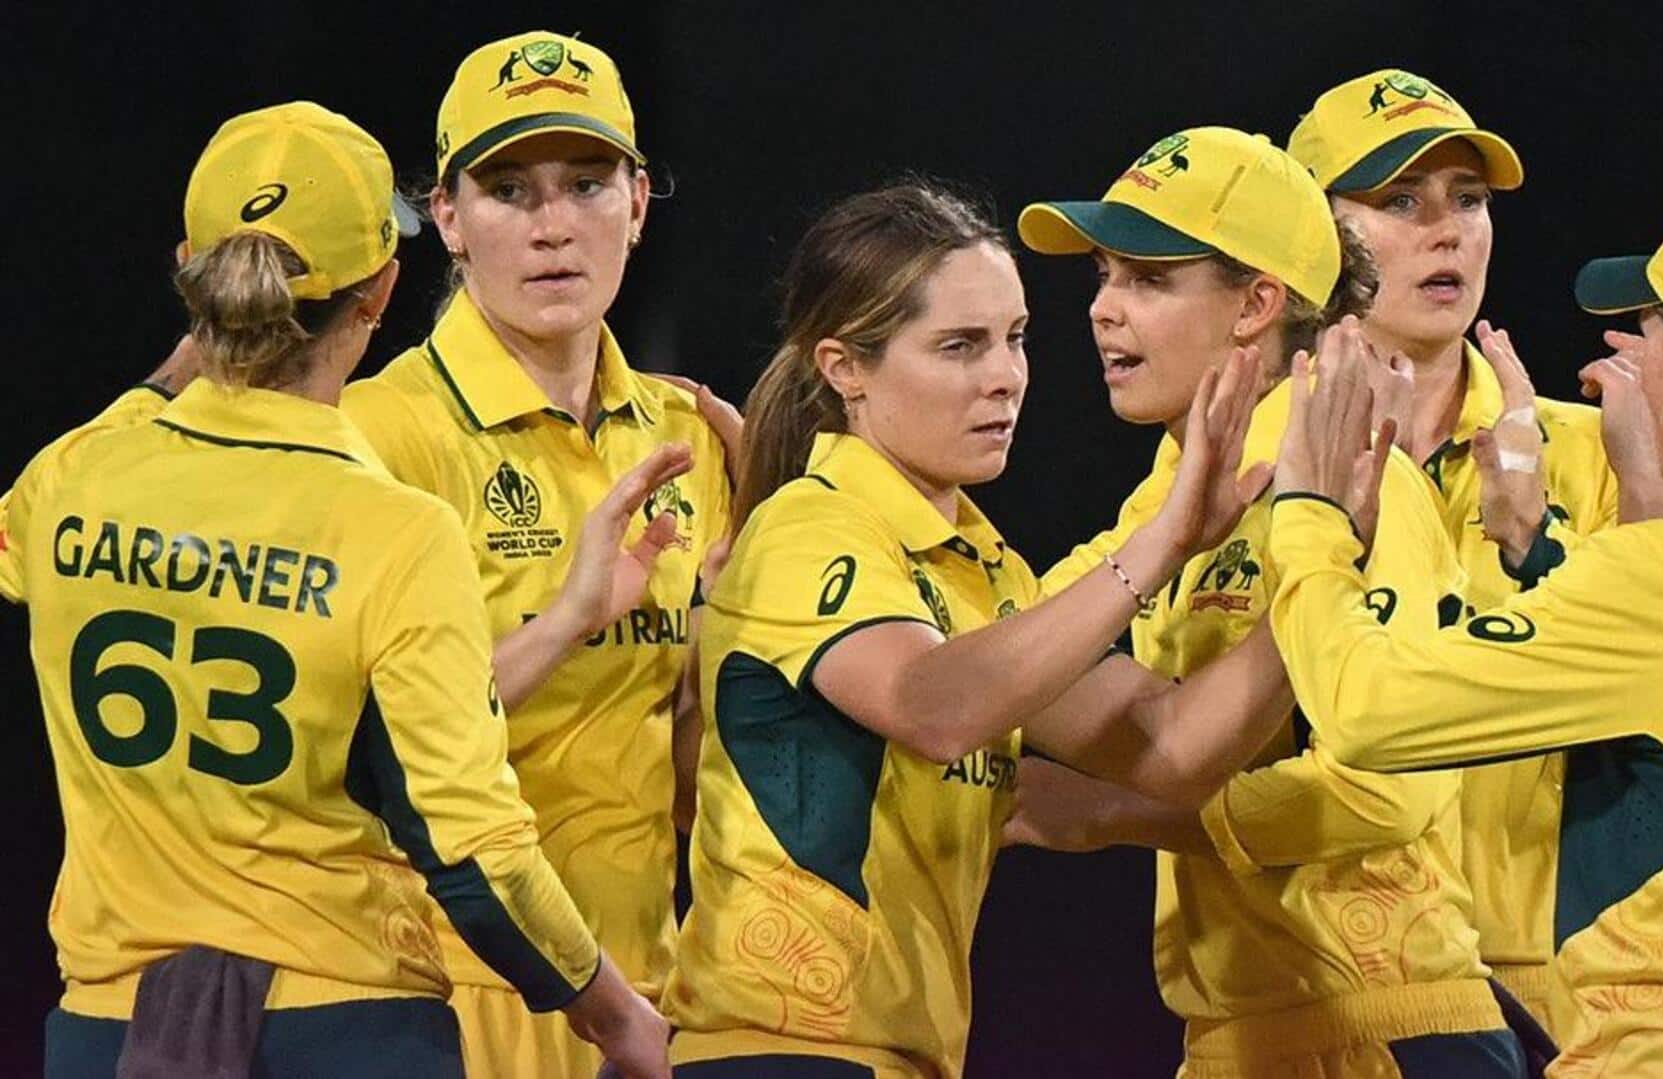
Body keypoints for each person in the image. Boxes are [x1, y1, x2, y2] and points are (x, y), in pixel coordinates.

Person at [4, 101, 671, 1078]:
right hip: (344, 1024)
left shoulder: (68, 483)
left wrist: (190, 356)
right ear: (381, 289)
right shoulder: (393, 530)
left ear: (192, 269)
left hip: (110, 1026)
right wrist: (612, 1013)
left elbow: (41, 510)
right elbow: (472, 844)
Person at [663, 179, 1326, 1078]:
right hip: (778, 1053)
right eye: (959, 346)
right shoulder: (806, 525)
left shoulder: (986, 573)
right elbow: (932, 706)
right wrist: (1163, 540)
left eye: (1014, 338)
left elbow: (1175, 748)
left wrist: (1325, 563)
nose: (1006, 376)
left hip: (900, 1060)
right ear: (845, 368)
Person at [1265, 184, 1663, 1074]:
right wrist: (1538, 541)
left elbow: (1368, 711)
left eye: (1650, 333)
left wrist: (1309, 511)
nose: (1631, 361)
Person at [1010, 126, 1524, 1077]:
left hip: (1385, 1027)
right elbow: (1007, 631)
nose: (1103, 310)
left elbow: (1391, 783)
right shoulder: (1176, 494)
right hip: (1247, 1033)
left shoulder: (1353, 471)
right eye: (1103, 277)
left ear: (1257, 304)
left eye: (1149, 280)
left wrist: (1119, 810)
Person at [340, 31, 732, 1077]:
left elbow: (687, 762)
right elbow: (362, 752)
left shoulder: (686, 440)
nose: (554, 226)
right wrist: (567, 620)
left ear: (638, 204)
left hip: (643, 996)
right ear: (448, 217)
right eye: (509, 191)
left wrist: (742, 622)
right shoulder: (378, 435)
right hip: (437, 991)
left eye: (587, 184)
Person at [1287, 69, 1663, 1033]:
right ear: (1313, 236)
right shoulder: (1256, 452)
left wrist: (1569, 529)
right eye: (1400, 203)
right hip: (1307, 987)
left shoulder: (1596, 450)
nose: (1448, 231)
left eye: (1469, 200)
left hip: (1556, 992)